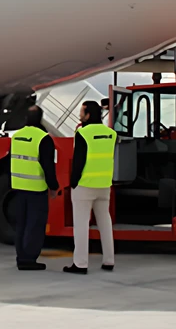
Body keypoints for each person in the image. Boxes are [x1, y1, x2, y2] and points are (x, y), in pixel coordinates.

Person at [64, 100, 115, 274]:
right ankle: (109, 260)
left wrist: (73, 182)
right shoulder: (111, 133)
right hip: (104, 185)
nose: (80, 115)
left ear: (88, 115)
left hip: (85, 185)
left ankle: (80, 264)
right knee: (105, 223)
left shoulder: (83, 133)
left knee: (81, 225)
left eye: (82, 112)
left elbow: (79, 161)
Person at [9, 105, 59, 270]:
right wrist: (53, 186)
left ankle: (21, 257)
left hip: (18, 187)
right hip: (36, 189)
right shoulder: (43, 138)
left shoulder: (16, 136)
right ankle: (29, 260)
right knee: (35, 225)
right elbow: (48, 166)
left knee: (21, 224)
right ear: (40, 118)